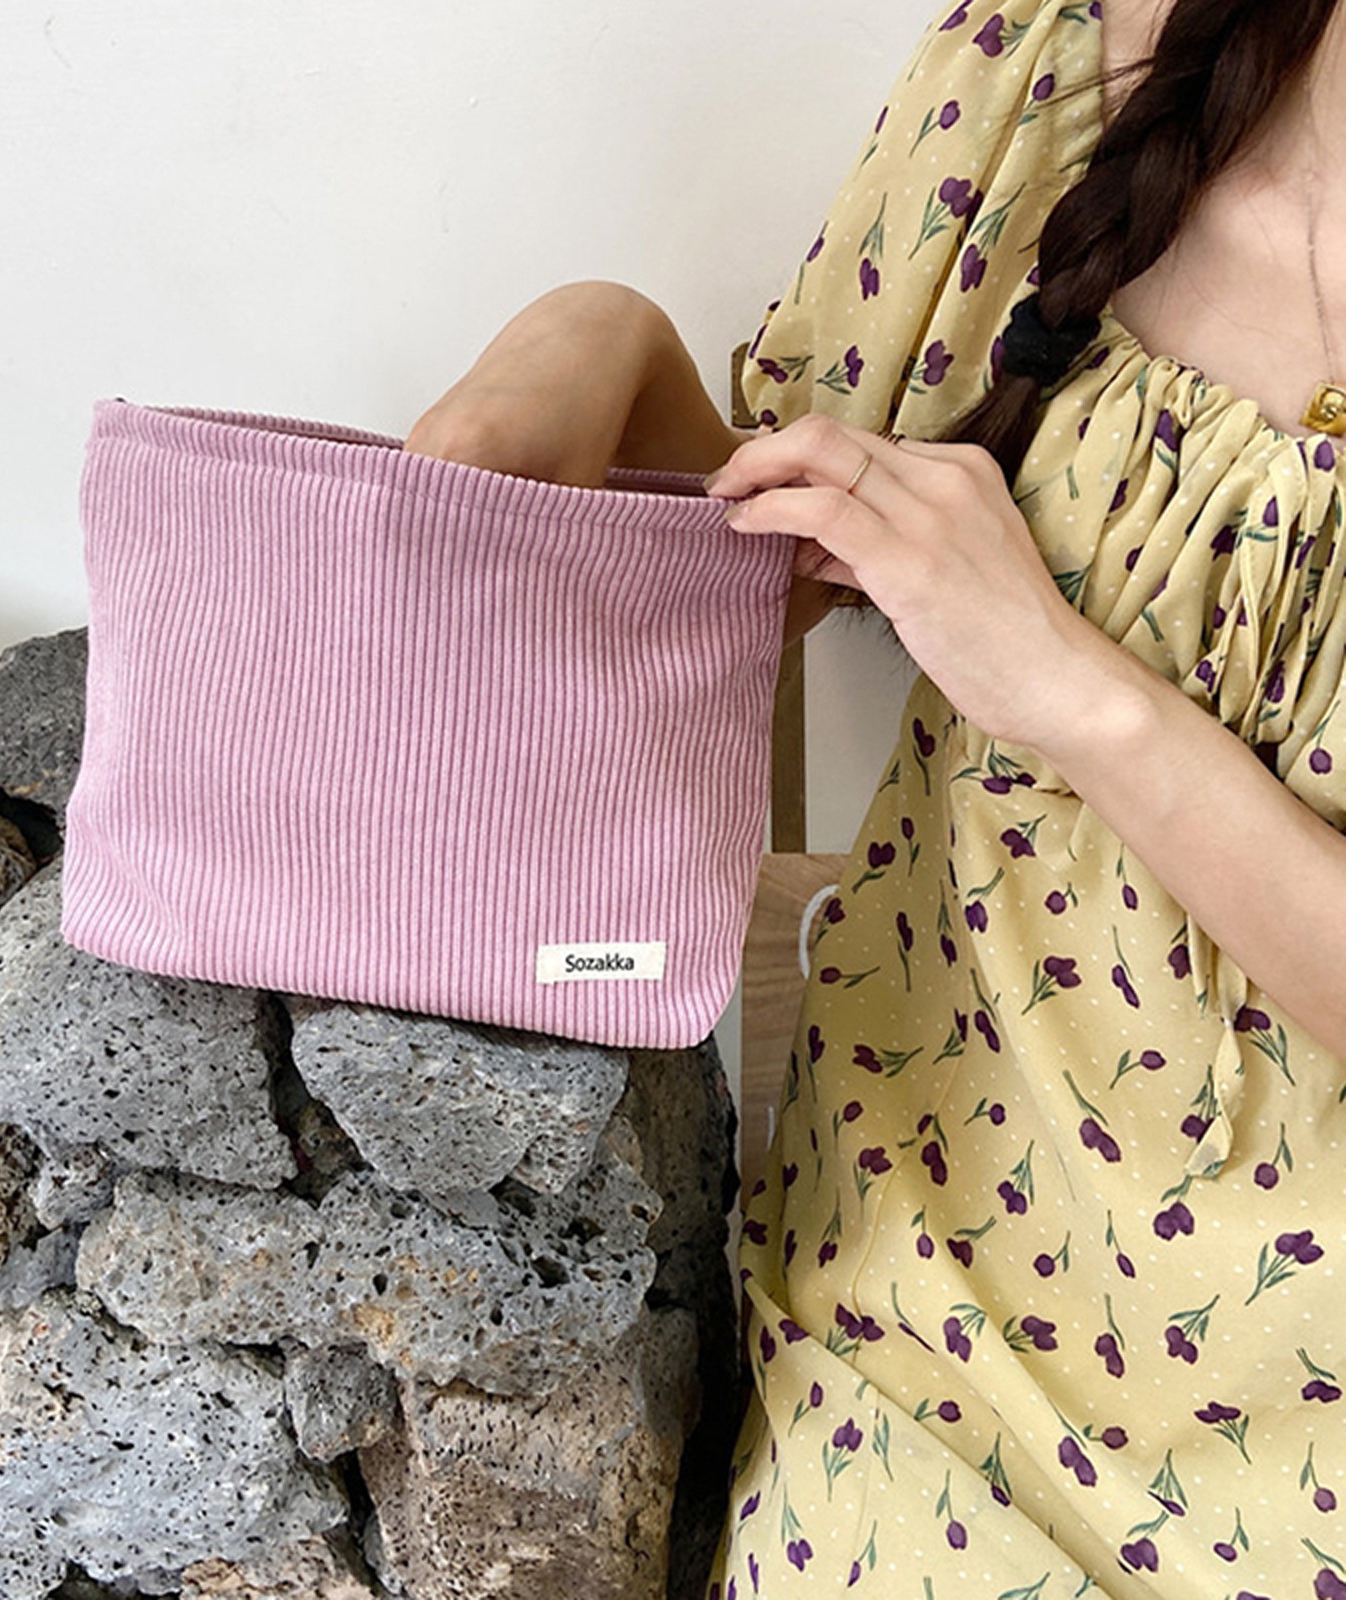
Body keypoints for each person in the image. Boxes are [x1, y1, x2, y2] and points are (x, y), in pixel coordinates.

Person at [407, 0, 1346, 1592]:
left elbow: (1005, 636)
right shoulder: (1052, 66)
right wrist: (595, 338)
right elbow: (807, 535)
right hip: (926, 1305)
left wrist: (1070, 690)